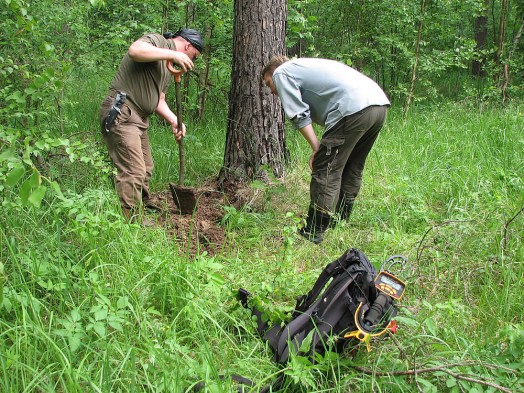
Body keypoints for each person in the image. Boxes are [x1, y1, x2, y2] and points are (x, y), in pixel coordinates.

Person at [261, 56, 390, 244]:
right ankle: (340, 221)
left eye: (268, 83)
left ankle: (314, 231)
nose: (271, 90)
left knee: (326, 167)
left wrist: (317, 149)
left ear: (274, 72)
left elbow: (298, 114)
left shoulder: (283, 72)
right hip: (378, 105)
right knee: (352, 166)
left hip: (353, 108)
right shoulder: (304, 67)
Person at [99, 29, 204, 221]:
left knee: (146, 168)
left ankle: (140, 209)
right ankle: (131, 225)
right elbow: (135, 50)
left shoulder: (167, 66)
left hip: (138, 118)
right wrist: (173, 53)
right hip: (122, 111)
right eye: (194, 57)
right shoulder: (159, 42)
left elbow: (159, 100)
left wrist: (174, 120)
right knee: (134, 170)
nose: (192, 61)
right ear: (188, 46)